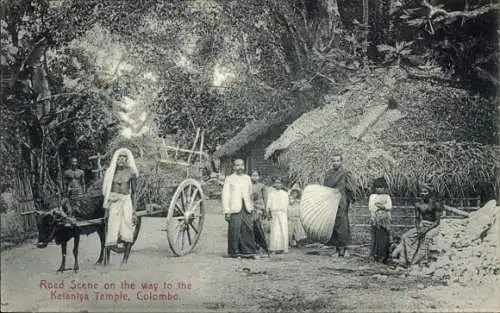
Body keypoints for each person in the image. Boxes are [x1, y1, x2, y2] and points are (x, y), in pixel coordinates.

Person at [102, 148, 138, 266]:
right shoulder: (111, 172)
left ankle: (125, 260)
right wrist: (107, 207)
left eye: (123, 158)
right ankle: (106, 261)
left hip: (126, 201)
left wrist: (134, 211)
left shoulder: (131, 172)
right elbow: (107, 190)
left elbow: (134, 192)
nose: (121, 160)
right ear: (116, 160)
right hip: (114, 202)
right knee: (111, 227)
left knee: (127, 227)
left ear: (127, 160)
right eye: (119, 158)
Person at [391, 182, 442, 266]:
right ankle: (405, 259)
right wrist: (418, 229)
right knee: (405, 236)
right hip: (422, 225)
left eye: (426, 192)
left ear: (430, 193)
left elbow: (437, 221)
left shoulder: (435, 204)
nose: (423, 194)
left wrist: (425, 230)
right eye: (422, 192)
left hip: (433, 226)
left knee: (428, 237)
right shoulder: (418, 204)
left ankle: (425, 260)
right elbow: (417, 219)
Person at [222, 159, 258, 259]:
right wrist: (226, 211)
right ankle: (234, 252)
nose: (240, 167)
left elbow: (250, 194)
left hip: (246, 206)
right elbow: (225, 196)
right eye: (237, 165)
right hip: (235, 207)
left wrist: (252, 207)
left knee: (248, 228)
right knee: (235, 229)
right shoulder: (229, 179)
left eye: (242, 165)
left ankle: (248, 252)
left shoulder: (247, 178)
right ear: (233, 167)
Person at [323, 153, 353, 257]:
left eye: (337, 160)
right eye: (334, 161)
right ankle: (336, 249)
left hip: (342, 201)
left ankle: (344, 249)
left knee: (343, 225)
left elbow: (351, 187)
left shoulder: (345, 173)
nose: (335, 163)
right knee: (334, 225)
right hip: (332, 201)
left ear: (341, 162)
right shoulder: (329, 174)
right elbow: (326, 186)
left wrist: (349, 197)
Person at [368, 177, 392, 263]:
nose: (379, 189)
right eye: (377, 187)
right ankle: (373, 256)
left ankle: (383, 257)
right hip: (375, 220)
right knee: (375, 238)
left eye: (381, 187)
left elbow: (389, 207)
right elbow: (371, 207)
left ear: (385, 188)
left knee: (384, 238)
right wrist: (374, 217)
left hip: (385, 221)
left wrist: (381, 206)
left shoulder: (387, 197)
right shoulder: (372, 196)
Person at [266, 178, 289, 254]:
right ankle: (274, 248)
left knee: (283, 230)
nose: (278, 184)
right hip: (274, 213)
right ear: (274, 184)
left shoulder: (285, 194)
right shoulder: (271, 193)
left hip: (283, 213)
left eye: (279, 183)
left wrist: (287, 214)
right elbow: (268, 205)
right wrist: (268, 213)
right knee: (275, 231)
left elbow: (287, 205)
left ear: (282, 184)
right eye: (276, 183)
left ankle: (283, 248)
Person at [251, 170, 269, 255]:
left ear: (259, 177)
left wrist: (265, 210)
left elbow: (265, 199)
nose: (254, 177)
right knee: (251, 228)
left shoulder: (262, 186)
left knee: (259, 227)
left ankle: (261, 246)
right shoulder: (248, 186)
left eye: (256, 175)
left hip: (259, 209)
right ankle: (253, 245)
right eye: (253, 175)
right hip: (250, 208)